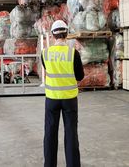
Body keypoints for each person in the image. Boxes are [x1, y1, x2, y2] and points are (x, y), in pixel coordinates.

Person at [41, 20, 84, 167]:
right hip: (70, 99)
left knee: (50, 134)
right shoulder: (73, 54)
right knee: (71, 134)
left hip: (52, 99)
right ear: (66, 34)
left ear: (52, 35)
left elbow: (48, 71)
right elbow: (80, 76)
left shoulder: (45, 54)